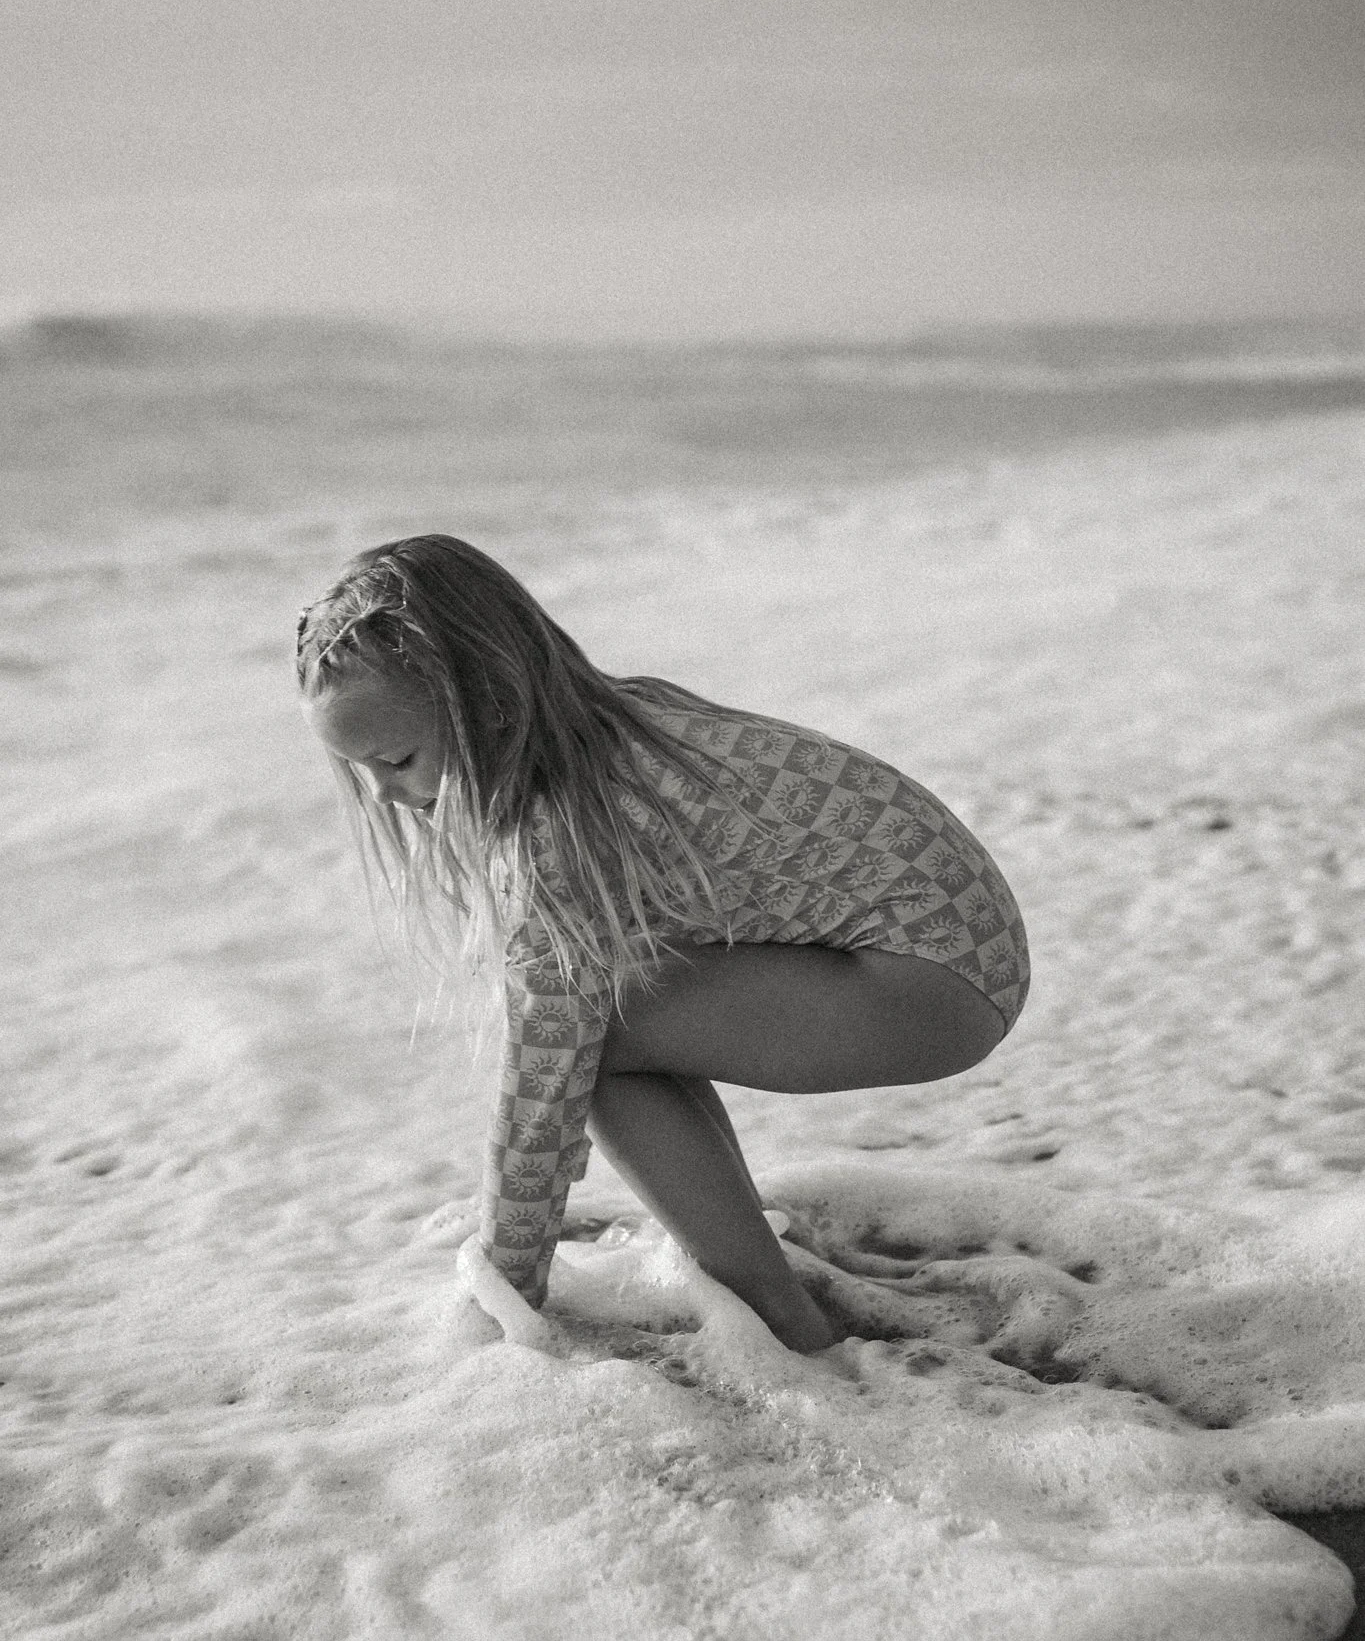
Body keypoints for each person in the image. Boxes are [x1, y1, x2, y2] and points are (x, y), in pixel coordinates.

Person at [297, 535, 1029, 1354]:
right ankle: (754, 1273)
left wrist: (507, 1294)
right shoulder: (628, 722)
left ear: (491, 700)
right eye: (357, 771)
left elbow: (543, 1091)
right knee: (616, 1019)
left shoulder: (559, 832)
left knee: (594, 1041)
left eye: (395, 760)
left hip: (929, 987)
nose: (384, 794)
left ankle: (784, 1322)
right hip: (964, 956)